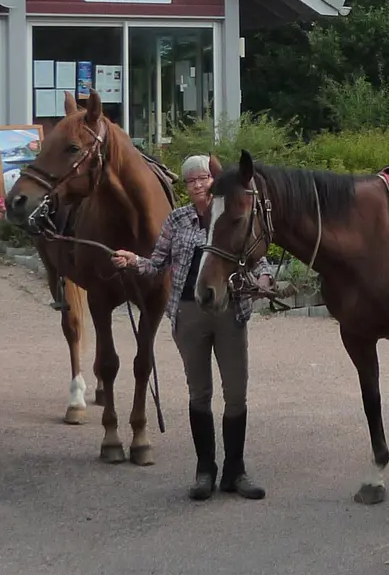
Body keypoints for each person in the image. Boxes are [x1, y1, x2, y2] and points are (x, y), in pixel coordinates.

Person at [111, 154, 273, 501]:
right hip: (189, 313)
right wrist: (133, 261)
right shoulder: (177, 221)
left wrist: (263, 277)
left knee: (236, 393)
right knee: (199, 393)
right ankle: (204, 471)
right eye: (190, 181)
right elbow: (157, 264)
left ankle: (235, 471)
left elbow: (261, 257)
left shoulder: (231, 213)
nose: (198, 185)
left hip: (230, 312)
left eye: (203, 179)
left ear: (214, 182)